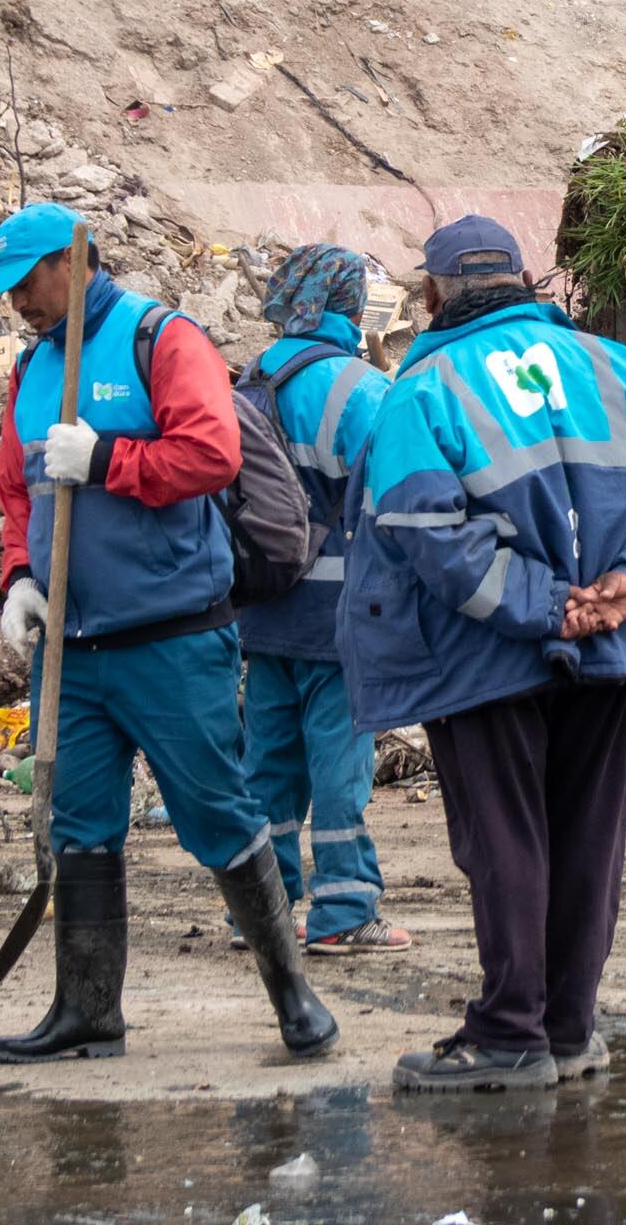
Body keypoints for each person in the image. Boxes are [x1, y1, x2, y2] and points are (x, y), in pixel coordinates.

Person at [343, 216, 626, 1093]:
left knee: (505, 835)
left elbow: (426, 527)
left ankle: (509, 1033)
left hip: (485, 655)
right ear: (526, 281)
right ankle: (568, 1028)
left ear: (433, 296)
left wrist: (546, 609)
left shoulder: (421, 389)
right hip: (609, 644)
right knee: (587, 835)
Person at [0, 202, 337, 1066]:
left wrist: (105, 462)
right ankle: (88, 1011)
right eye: (9, 291)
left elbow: (212, 454)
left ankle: (294, 995)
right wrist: (21, 575)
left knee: (218, 810)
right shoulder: (32, 370)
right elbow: (18, 490)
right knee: (80, 823)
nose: (17, 303)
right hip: (74, 647)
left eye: (26, 284)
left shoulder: (160, 339)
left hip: (172, 637)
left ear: (74, 264)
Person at [239, 245, 409, 957]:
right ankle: (344, 908)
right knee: (340, 770)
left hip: (260, 610)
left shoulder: (249, 381)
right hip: (341, 620)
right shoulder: (361, 389)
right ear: (344, 305)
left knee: (266, 769)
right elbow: (400, 500)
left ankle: (261, 911)